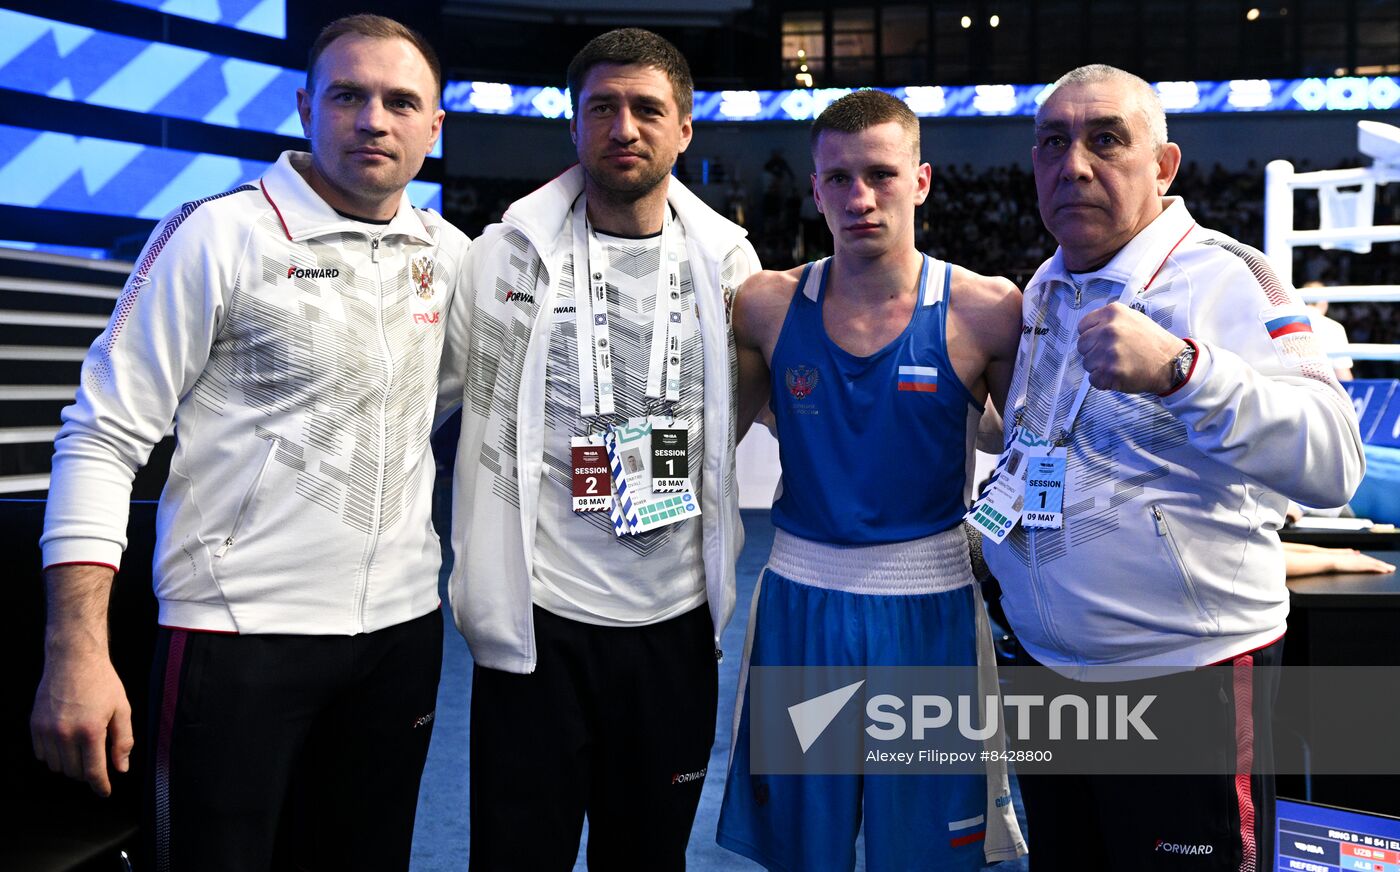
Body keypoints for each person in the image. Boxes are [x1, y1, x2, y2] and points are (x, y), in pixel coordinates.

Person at [31, 15, 468, 870]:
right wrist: (74, 651)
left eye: (399, 101)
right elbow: (99, 438)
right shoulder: (217, 235)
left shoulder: (446, 254)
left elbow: (441, 401)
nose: (374, 119)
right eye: (348, 95)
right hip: (234, 641)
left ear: (433, 127)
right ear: (305, 106)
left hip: (400, 642)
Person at [982, 64, 1364, 870]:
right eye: (1053, 143)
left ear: (1164, 166)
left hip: (1185, 678)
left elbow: (1336, 461)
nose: (1074, 165)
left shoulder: (1231, 275)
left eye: (1105, 140)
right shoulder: (1049, 284)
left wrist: (1186, 370)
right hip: (1051, 675)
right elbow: (1055, 443)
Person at [445, 28, 759, 870]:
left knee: (648, 859)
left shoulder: (732, 265)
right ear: (573, 125)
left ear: (684, 129)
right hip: (536, 623)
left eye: (648, 109)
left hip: (674, 626)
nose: (625, 127)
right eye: (603, 108)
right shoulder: (497, 259)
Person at [715, 89, 1026, 872]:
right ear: (814, 189)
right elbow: (710, 436)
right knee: (800, 849)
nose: (860, 198)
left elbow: (1037, 452)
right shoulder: (763, 305)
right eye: (839, 179)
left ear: (921, 181)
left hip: (930, 615)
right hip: (799, 607)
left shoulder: (988, 310)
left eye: (881, 176)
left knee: (924, 853)